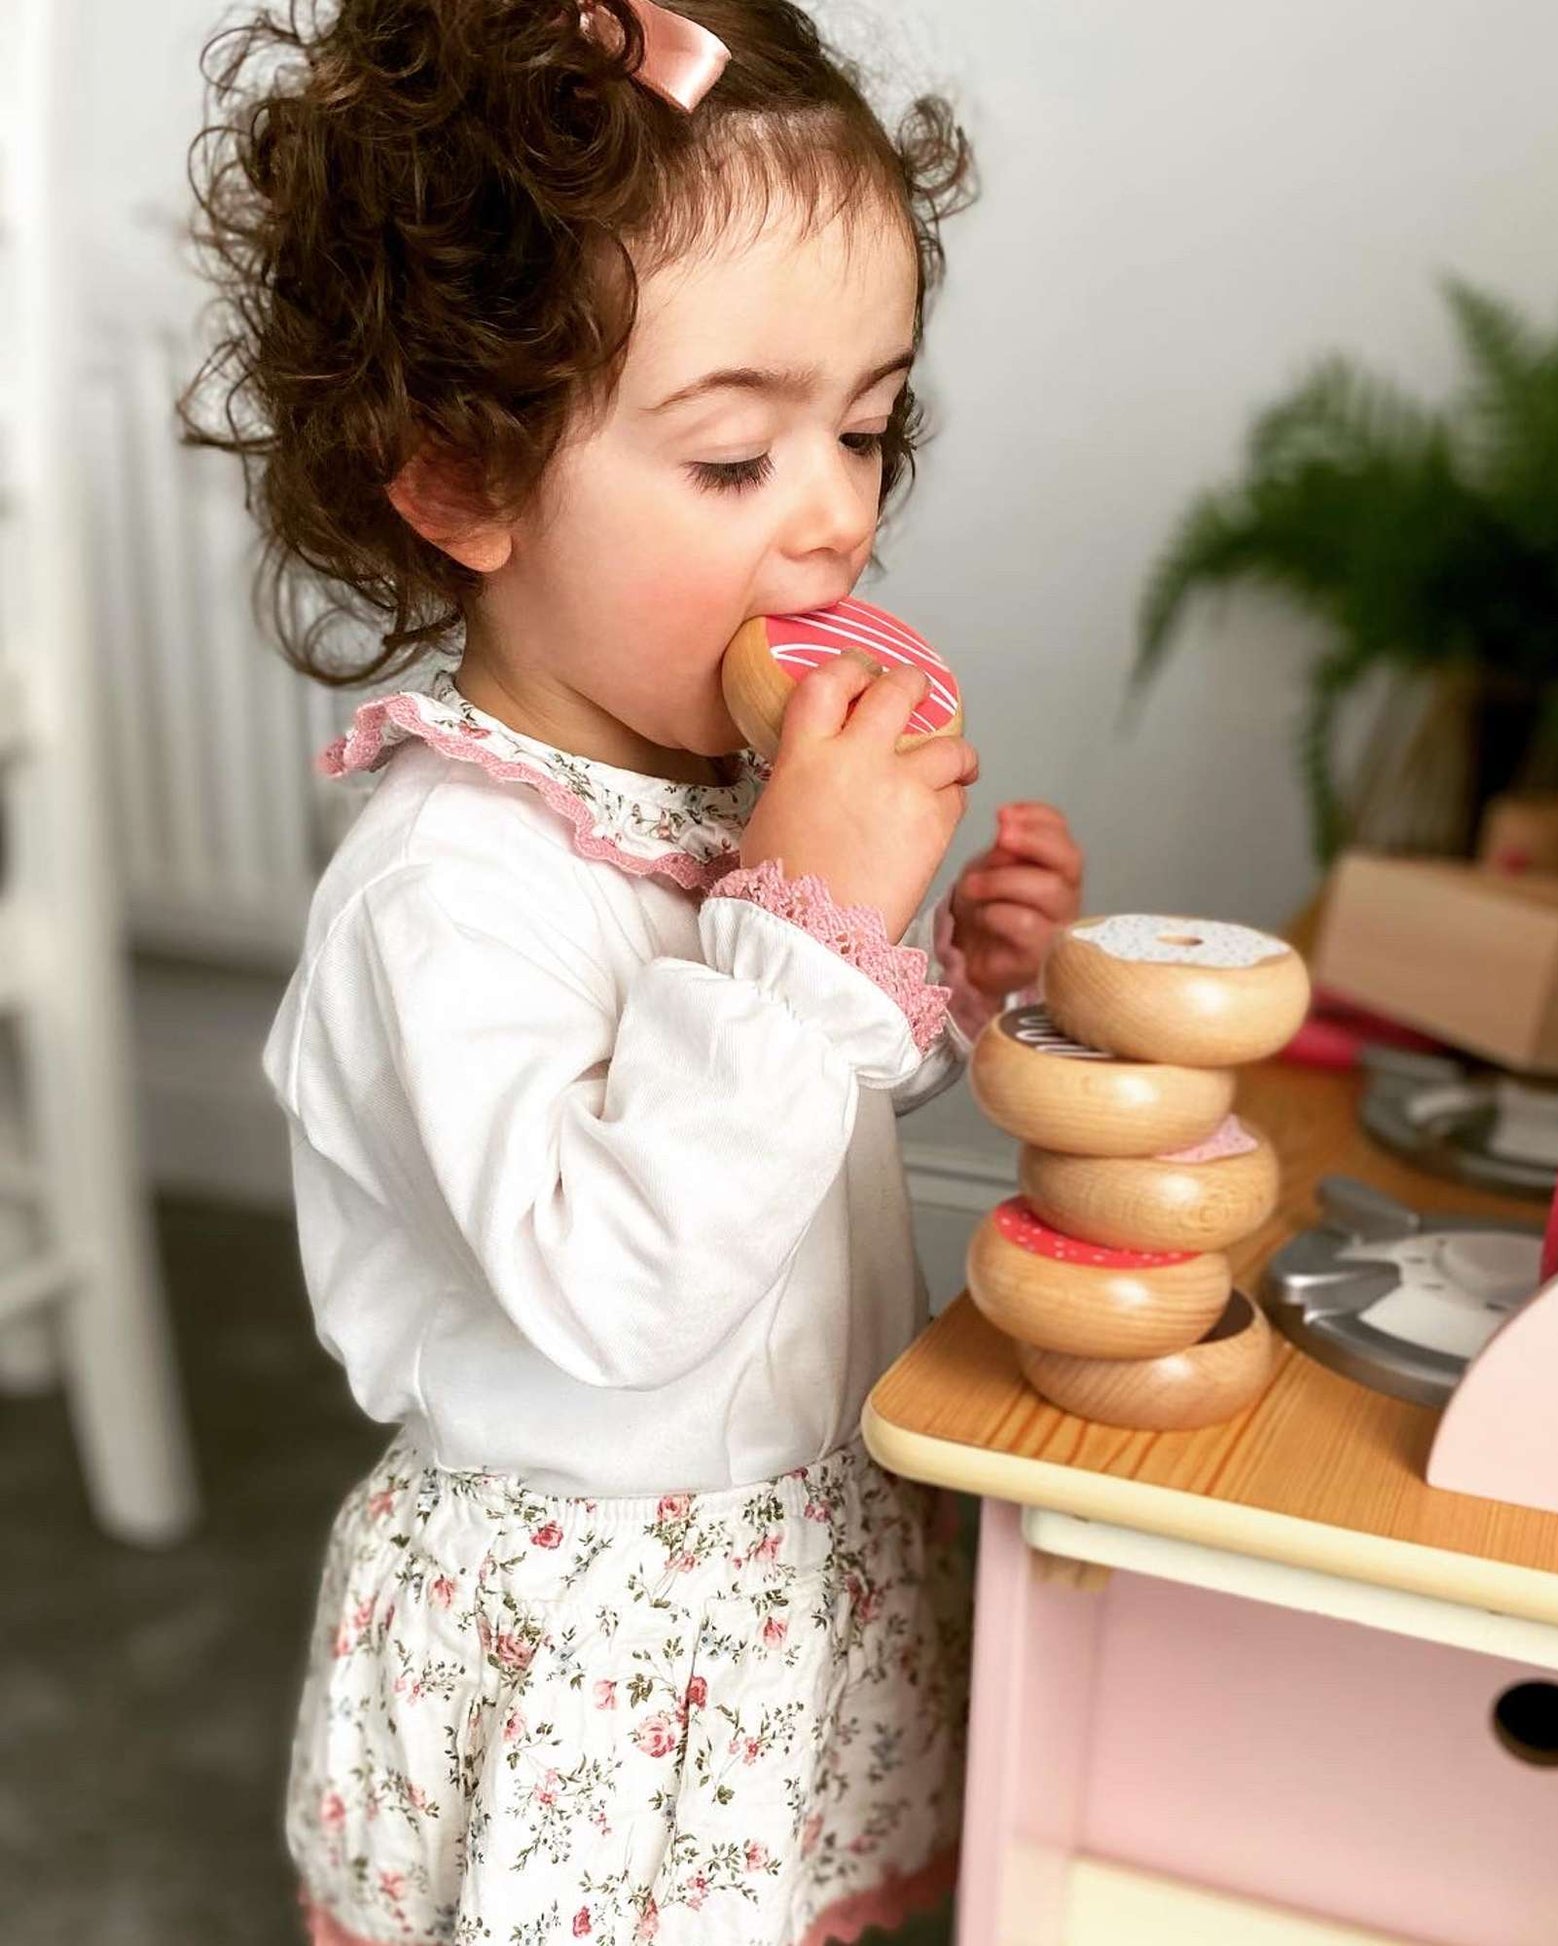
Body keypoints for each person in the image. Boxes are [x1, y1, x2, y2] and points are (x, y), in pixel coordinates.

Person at [185, 2, 1085, 1939]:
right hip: (594, 1656)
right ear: (459, 478)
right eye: (736, 453)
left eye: (862, 426)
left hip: (781, 1599)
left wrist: (951, 984)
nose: (836, 512)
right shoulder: (442, 894)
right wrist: (796, 931)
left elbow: (783, 1119)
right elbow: (620, 1277)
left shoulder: (702, 791)